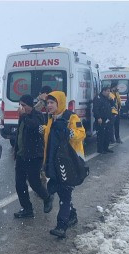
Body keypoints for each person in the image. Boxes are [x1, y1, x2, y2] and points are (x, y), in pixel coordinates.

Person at [40, 91, 85, 239]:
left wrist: (70, 133)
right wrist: (45, 130)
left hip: (69, 162)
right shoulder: (52, 119)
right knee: (60, 190)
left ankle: (61, 226)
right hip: (55, 162)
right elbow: (53, 137)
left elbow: (81, 133)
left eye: (52, 103)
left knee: (64, 194)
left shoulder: (71, 117)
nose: (49, 106)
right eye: (48, 103)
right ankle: (72, 215)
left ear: (60, 102)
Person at [12, 94, 52, 218]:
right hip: (21, 155)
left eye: (23, 105)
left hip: (34, 155)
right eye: (20, 105)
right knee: (19, 184)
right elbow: (20, 134)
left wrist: (24, 116)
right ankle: (27, 208)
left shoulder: (38, 116)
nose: (21, 107)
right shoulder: (22, 117)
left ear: (30, 106)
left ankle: (47, 197)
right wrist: (16, 150)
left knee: (34, 182)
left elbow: (34, 126)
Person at [93, 85, 114, 154]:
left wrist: (111, 100)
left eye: (109, 91)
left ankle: (106, 148)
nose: (109, 93)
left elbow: (112, 106)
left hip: (108, 119)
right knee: (101, 134)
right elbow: (95, 109)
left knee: (107, 134)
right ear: (103, 91)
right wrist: (98, 117)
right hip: (101, 119)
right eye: (108, 91)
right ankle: (100, 149)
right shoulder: (98, 98)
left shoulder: (107, 98)